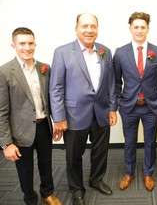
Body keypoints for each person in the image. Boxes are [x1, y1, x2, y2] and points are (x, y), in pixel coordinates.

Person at [49, 13, 117, 205]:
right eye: (85, 26)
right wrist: (59, 118)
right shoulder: (62, 52)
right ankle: (77, 189)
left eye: (93, 26)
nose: (89, 30)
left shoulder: (105, 51)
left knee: (100, 151)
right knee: (73, 155)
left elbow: (110, 82)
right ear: (76, 28)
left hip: (101, 112)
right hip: (73, 115)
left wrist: (112, 108)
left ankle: (96, 180)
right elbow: (56, 87)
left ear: (97, 28)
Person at [0, 27, 62, 205]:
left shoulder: (44, 68)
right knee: (25, 170)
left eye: (30, 43)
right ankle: (30, 199)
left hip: (44, 127)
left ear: (35, 44)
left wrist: (56, 123)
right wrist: (6, 143)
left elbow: (51, 99)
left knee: (46, 164)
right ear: (13, 45)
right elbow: (1, 111)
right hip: (20, 131)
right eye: (22, 43)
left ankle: (47, 193)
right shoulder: (4, 72)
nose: (27, 47)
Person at [113, 12, 157, 191]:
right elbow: (115, 81)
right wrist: (119, 102)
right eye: (136, 27)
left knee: (150, 142)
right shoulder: (120, 53)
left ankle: (148, 173)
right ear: (130, 29)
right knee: (130, 142)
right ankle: (129, 172)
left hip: (151, 107)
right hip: (129, 107)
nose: (139, 30)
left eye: (143, 27)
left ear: (148, 29)